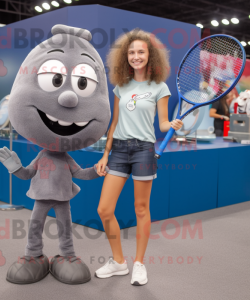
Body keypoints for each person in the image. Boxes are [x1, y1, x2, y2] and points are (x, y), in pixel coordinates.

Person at [94, 28, 183, 286]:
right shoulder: (120, 87)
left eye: (140, 52)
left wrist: (173, 125)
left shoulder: (160, 87)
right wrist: (106, 153)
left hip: (144, 149)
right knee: (104, 209)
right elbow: (114, 123)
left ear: (149, 55)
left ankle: (139, 264)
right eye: (131, 52)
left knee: (141, 209)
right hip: (119, 150)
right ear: (126, 56)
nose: (136, 56)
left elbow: (163, 123)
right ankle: (119, 262)